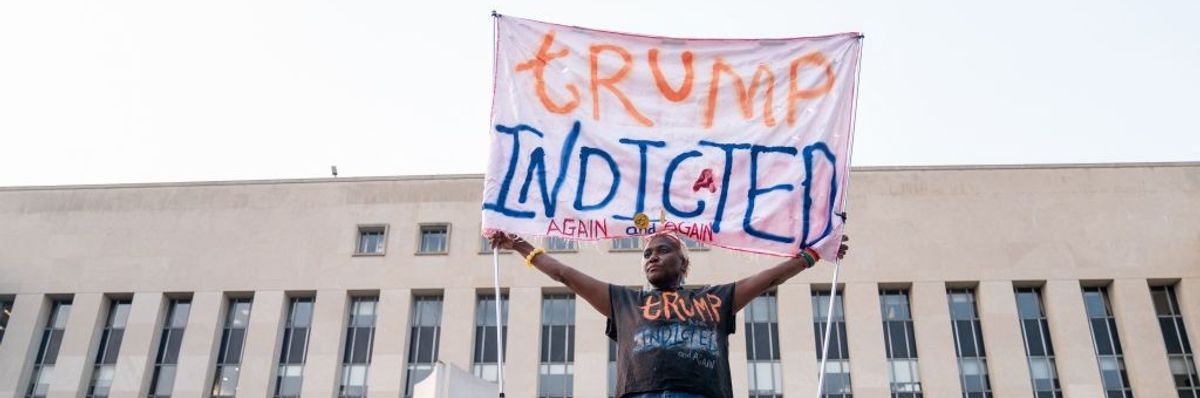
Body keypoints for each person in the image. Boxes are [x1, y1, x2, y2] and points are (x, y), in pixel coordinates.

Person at [489, 231, 849, 398]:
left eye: (662, 250)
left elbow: (770, 277)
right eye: (647, 253)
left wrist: (814, 254)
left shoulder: (716, 299)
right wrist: (520, 245)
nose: (652, 257)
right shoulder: (624, 302)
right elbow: (564, 274)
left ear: (683, 262)